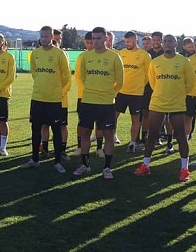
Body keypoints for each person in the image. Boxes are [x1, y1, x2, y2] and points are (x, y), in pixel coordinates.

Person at [133, 34, 194, 181]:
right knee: (152, 135)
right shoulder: (155, 62)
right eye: (164, 41)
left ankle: (184, 169)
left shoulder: (184, 61)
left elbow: (189, 84)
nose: (166, 43)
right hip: (157, 103)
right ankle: (145, 165)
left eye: (170, 41)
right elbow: (153, 83)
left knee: (180, 135)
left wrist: (176, 95)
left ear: (175, 44)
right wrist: (163, 94)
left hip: (176, 104)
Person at [74, 27, 123, 179]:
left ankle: (107, 168)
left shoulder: (114, 57)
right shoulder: (85, 57)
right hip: (88, 101)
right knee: (85, 133)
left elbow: (120, 82)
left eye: (98, 38)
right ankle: (85, 165)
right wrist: (91, 90)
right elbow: (82, 77)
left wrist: (109, 93)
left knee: (108, 134)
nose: (95, 41)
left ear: (106, 39)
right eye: (93, 38)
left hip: (106, 103)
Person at [22, 25, 69, 170]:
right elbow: (34, 72)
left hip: (54, 100)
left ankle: (57, 162)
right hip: (37, 98)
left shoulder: (59, 54)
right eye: (42, 36)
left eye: (46, 36)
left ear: (52, 37)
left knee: (56, 131)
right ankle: (35, 159)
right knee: (35, 130)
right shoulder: (35, 53)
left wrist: (57, 92)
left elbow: (66, 77)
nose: (44, 39)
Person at [116, 30, 151, 154]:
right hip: (121, 91)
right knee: (114, 116)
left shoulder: (145, 55)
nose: (126, 43)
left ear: (136, 41)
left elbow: (148, 75)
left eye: (129, 41)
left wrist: (139, 86)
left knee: (135, 119)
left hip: (137, 94)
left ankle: (132, 143)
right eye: (125, 41)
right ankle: (112, 137)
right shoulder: (121, 53)